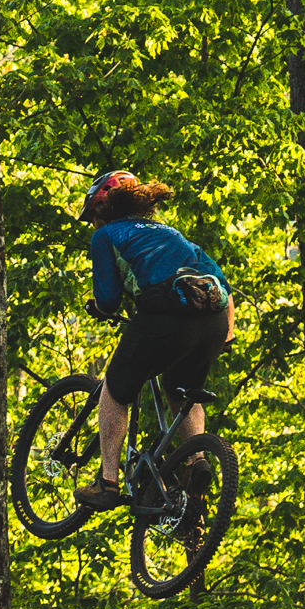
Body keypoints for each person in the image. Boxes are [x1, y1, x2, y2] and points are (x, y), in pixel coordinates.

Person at [74, 168, 234, 514]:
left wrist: (98, 308)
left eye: (92, 217)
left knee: (115, 389)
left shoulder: (107, 236)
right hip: (213, 322)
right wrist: (228, 334)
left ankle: (107, 482)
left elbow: (110, 300)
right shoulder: (173, 234)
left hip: (164, 317)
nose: (93, 225)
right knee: (180, 389)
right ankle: (197, 461)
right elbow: (223, 284)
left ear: (102, 209)